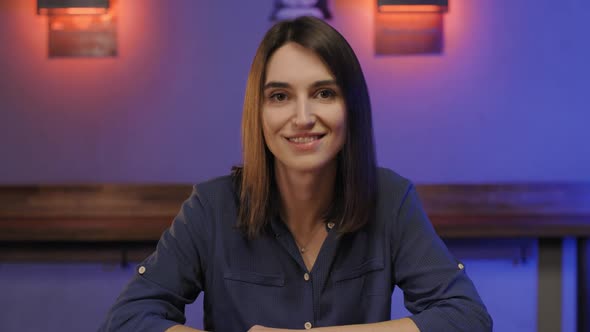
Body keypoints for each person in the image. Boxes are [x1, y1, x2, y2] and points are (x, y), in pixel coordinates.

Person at [99, 16, 492, 332]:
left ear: (350, 108)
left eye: (324, 93)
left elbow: (466, 318)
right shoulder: (211, 207)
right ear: (259, 112)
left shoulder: (390, 198)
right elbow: (128, 319)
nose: (302, 118)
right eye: (280, 96)